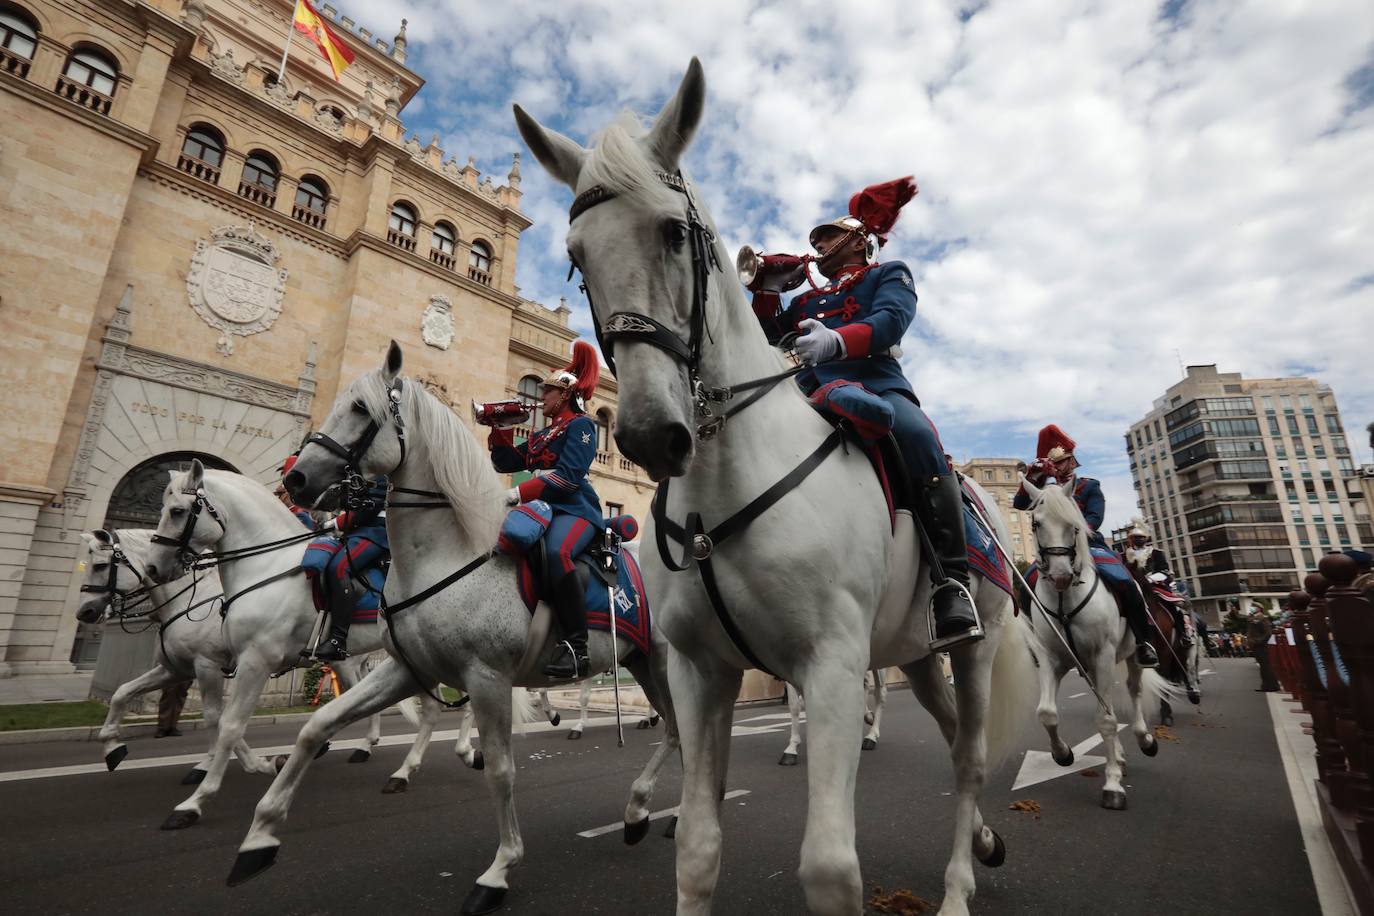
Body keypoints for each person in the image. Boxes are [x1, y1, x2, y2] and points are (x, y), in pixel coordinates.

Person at [749, 177, 980, 651]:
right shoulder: (807, 300)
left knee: (917, 436)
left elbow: (891, 320)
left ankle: (950, 582)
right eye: (814, 241)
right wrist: (768, 290)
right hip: (809, 391)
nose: (816, 246)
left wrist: (837, 340)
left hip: (876, 382)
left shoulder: (889, 273)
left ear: (858, 239)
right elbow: (765, 337)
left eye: (826, 237)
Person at [488, 342, 603, 679]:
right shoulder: (542, 435)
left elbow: (568, 478)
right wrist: (500, 425)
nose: (542, 397)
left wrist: (517, 493)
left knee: (556, 553)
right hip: (540, 510)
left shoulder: (580, 426)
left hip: (574, 510)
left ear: (564, 396)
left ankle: (576, 647)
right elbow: (503, 462)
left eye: (548, 391)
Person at [1013, 425, 1159, 667]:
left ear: (1072, 462)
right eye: (1054, 463)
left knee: (1126, 582)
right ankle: (1033, 641)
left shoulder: (1089, 486)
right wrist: (1033, 476)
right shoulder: (1045, 491)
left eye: (1062, 462)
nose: (1058, 467)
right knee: (1028, 583)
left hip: (1089, 545)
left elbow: (1095, 517)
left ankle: (1144, 642)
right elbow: (1020, 503)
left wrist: (1077, 532)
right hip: (1055, 549)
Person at [304, 475, 389, 661]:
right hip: (355, 531)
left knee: (339, 568)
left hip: (375, 530)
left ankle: (337, 639)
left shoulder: (379, 470)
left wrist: (334, 523)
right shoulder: (352, 468)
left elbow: (371, 506)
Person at [1123, 525, 1194, 647]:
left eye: (1140, 537)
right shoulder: (1124, 555)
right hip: (1132, 586)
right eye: (1135, 537)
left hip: (1154, 585)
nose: (1138, 539)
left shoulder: (1156, 553)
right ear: (1130, 538)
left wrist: (1149, 579)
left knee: (1174, 606)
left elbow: (1164, 571)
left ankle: (1183, 634)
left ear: (1146, 538)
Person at [1247, 605, 1280, 692]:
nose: (1252, 608)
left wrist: (1258, 641)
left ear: (1259, 609)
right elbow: (1241, 617)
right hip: (1257, 645)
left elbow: (1268, 633)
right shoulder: (1254, 618)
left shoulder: (1262, 618)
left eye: (1254, 606)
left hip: (1261, 646)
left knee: (1266, 666)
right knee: (1263, 666)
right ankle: (1267, 685)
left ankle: (1271, 686)